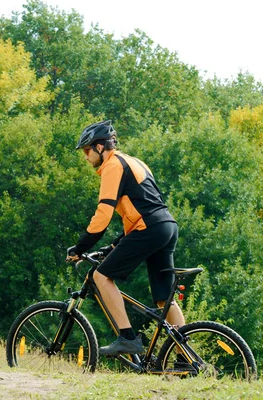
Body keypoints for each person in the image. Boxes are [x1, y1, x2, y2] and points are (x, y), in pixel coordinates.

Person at [67, 120, 184, 356]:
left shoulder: (113, 166)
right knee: (164, 299)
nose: (86, 157)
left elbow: (104, 214)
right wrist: (111, 247)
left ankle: (127, 337)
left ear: (100, 147)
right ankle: (184, 357)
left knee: (101, 276)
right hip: (166, 227)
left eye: (87, 151)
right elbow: (142, 210)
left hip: (150, 228)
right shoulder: (136, 162)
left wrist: (81, 247)